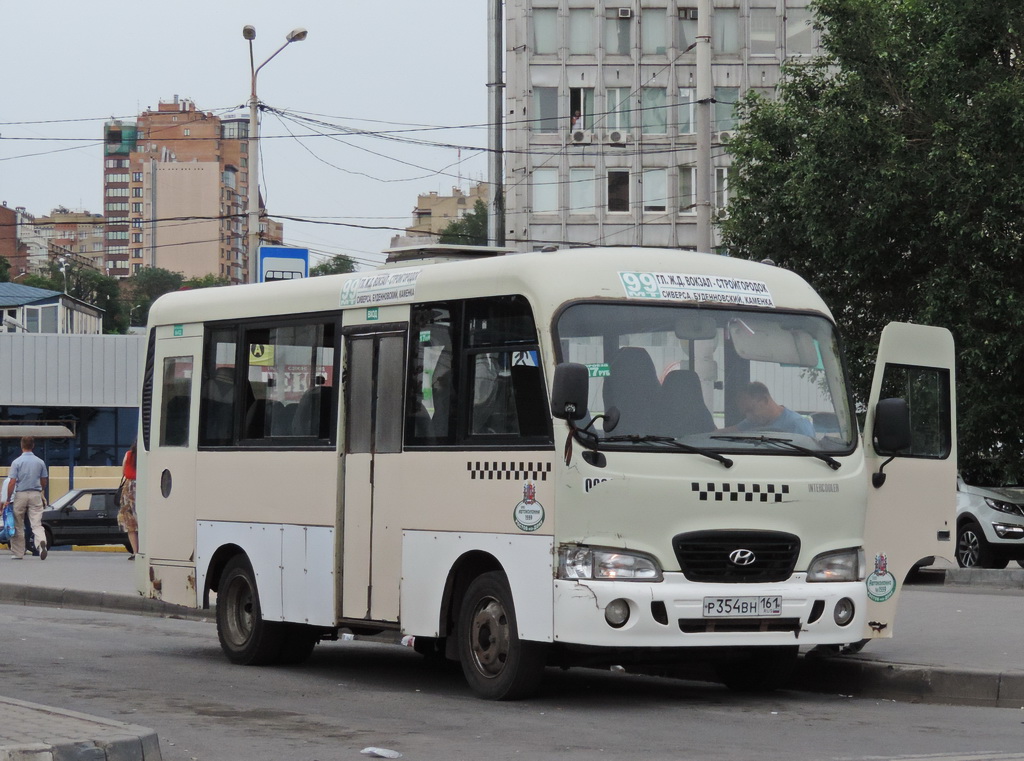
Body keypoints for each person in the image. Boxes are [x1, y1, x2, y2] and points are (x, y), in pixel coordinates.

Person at [5, 437, 49, 560]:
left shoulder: (17, 462)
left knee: (18, 524)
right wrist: (41, 489)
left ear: (21, 445)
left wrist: (8, 498)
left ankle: (18, 552)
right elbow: (44, 480)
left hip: (20, 494)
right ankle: (41, 544)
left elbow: (12, 482)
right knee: (36, 523)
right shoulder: (40, 462)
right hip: (35, 494)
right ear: (33, 445)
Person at [731, 381, 815, 438]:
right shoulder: (753, 422)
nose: (747, 417)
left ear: (764, 400)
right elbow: (729, 432)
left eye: (749, 410)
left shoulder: (798, 425)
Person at [118, 441, 139, 559]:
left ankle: (135, 552)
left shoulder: (128, 454)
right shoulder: (147, 456)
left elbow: (124, 472)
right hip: (143, 485)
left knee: (130, 522)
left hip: (129, 488)